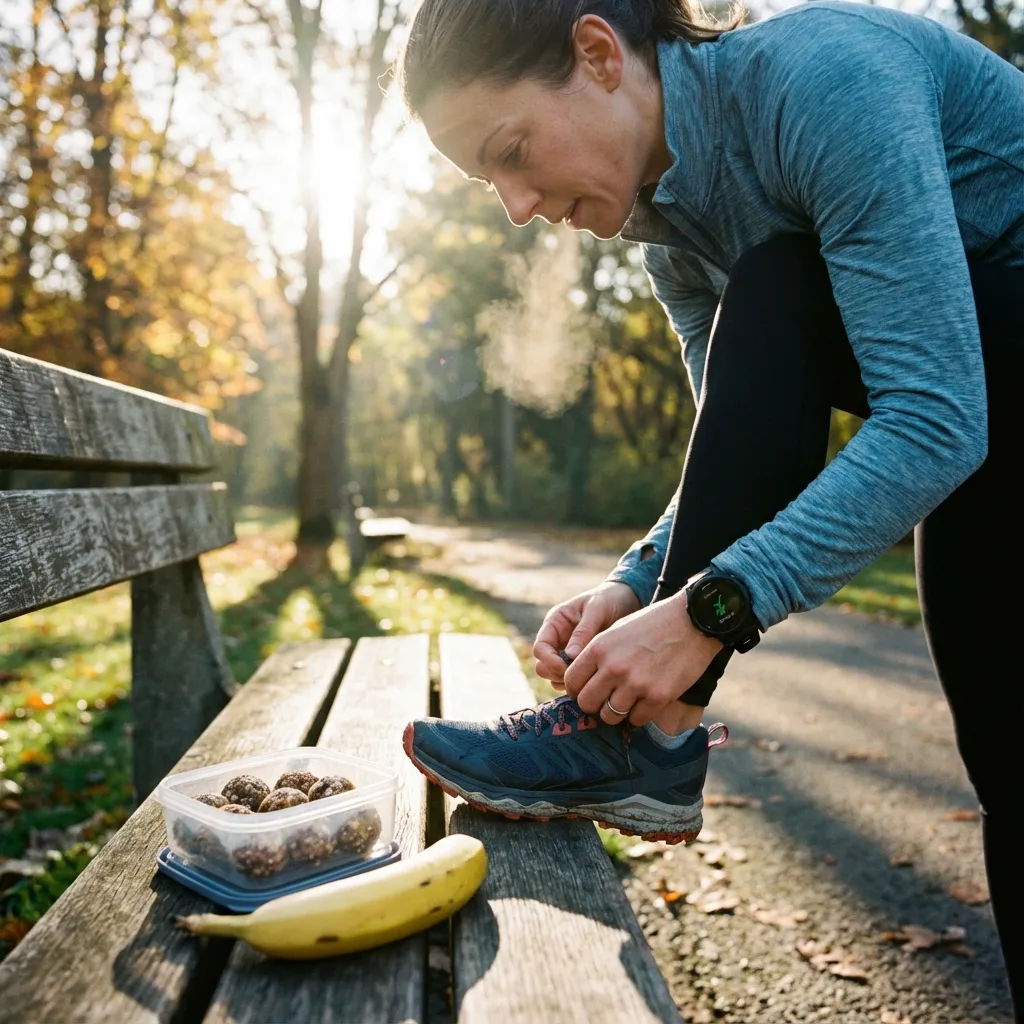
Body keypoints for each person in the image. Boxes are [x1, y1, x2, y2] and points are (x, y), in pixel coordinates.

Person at [396, 0, 1022, 1008]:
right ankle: (645, 741)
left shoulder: (820, 81)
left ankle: (650, 738)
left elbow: (936, 417)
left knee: (776, 275)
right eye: (487, 182)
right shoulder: (670, 239)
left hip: (967, 404)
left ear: (598, 53)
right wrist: (635, 582)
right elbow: (737, 458)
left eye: (511, 151)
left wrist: (703, 616)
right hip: (991, 430)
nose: (513, 205)